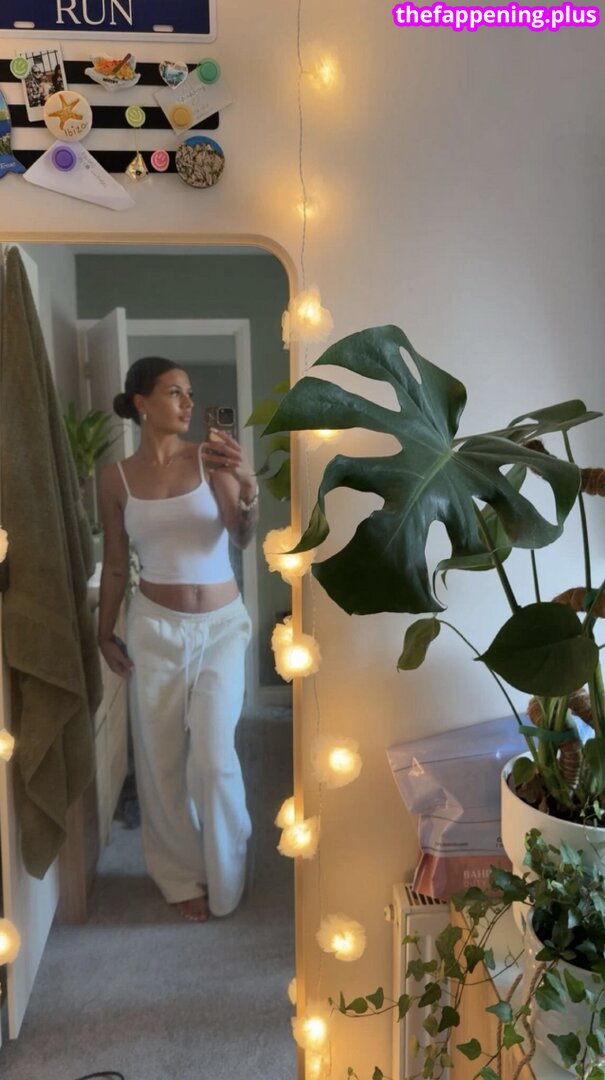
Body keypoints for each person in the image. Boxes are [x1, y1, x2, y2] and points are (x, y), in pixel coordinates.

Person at [98, 356, 258, 923]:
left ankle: (228, 869)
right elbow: (116, 564)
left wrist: (247, 487)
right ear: (142, 403)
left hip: (221, 628)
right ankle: (178, 875)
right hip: (153, 630)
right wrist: (104, 633)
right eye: (174, 392)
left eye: (189, 393)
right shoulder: (115, 479)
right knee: (160, 762)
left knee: (213, 759)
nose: (189, 403)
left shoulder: (209, 458)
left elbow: (240, 536)